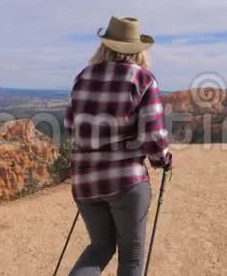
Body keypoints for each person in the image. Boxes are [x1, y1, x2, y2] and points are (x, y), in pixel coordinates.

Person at [64, 16, 173, 276]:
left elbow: (71, 125)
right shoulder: (142, 78)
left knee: (99, 248)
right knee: (132, 257)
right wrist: (163, 160)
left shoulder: (84, 75)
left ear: (105, 46)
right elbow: (153, 137)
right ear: (138, 49)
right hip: (127, 182)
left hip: (85, 180)